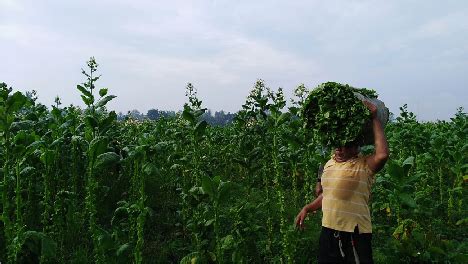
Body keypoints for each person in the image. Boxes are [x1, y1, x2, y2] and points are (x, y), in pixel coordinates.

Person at [295, 101, 389, 264]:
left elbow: (382, 155)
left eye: (345, 144)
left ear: (356, 148)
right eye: (336, 144)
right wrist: (308, 208)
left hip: (354, 233)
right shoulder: (329, 164)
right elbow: (328, 195)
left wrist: (374, 118)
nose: (339, 148)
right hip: (328, 231)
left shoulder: (363, 165)